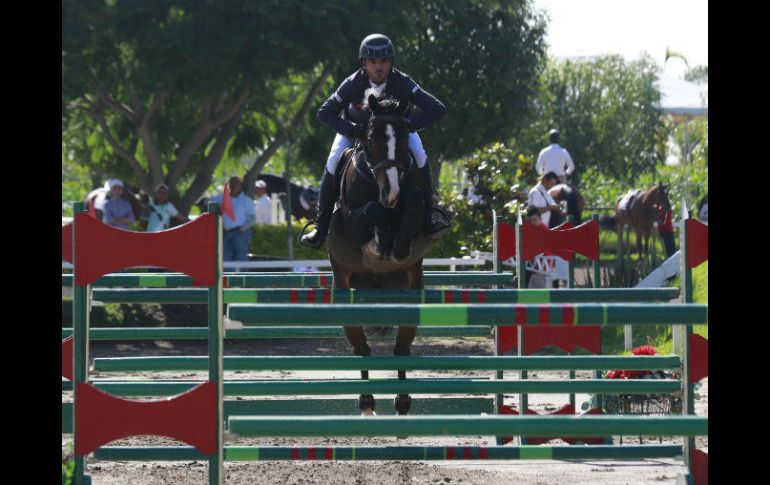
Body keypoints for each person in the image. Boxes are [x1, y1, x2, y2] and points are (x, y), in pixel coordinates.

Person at [299, 33, 447, 249]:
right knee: (332, 162)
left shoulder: (402, 81)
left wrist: (408, 126)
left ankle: (429, 218)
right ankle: (321, 227)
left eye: (384, 61)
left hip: (395, 134)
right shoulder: (353, 83)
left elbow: (437, 108)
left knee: (421, 157)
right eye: (373, 62)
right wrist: (353, 129)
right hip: (355, 131)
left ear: (391, 63)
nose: (379, 67)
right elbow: (325, 112)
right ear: (364, 63)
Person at [211, 177, 256, 262]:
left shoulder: (246, 200)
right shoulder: (222, 198)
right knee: (224, 260)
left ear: (240, 186)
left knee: (241, 258)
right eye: (232, 184)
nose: (233, 186)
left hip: (241, 233)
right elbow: (209, 201)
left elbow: (253, 218)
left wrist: (243, 228)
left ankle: (242, 275)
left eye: (236, 184)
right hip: (227, 232)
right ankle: (229, 275)